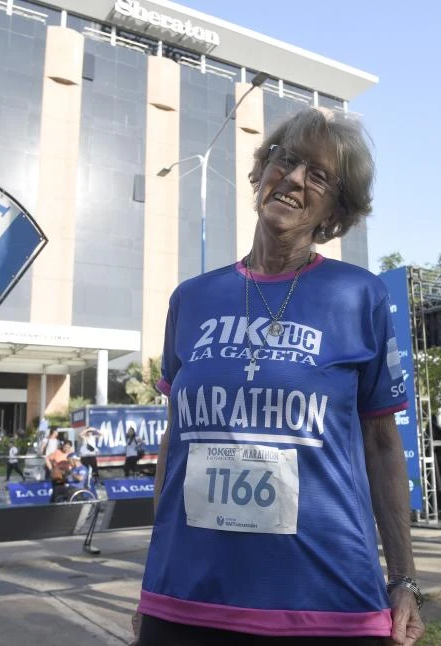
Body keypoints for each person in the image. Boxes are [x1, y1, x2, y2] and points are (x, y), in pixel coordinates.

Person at [133, 108, 424, 645]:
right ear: (261, 171)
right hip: (186, 600)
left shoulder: (360, 296)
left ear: (335, 211)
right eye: (284, 159)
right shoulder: (191, 300)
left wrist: (402, 579)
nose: (292, 178)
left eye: (318, 175)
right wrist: (156, 575)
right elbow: (175, 443)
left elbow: (382, 446)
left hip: (326, 603)